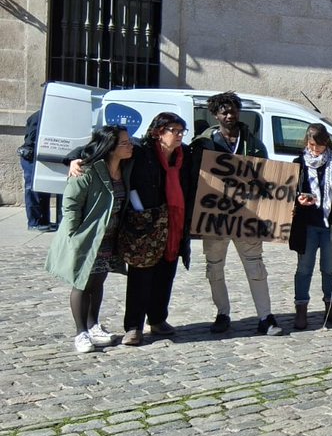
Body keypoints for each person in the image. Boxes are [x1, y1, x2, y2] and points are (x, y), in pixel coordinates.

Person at [192, 91, 284, 336]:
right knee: (214, 267)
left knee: (255, 267)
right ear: (215, 114)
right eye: (224, 111)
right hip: (214, 216)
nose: (229, 115)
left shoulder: (254, 144)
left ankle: (266, 316)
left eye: (233, 110)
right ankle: (222, 313)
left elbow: (266, 179)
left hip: (246, 216)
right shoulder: (203, 143)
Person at [45, 125, 132, 353]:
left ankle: (94, 325)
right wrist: (74, 234)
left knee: (98, 280)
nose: (130, 145)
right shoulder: (88, 171)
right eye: (124, 143)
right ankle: (80, 332)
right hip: (88, 236)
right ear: (110, 148)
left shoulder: (125, 167)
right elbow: (71, 204)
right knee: (82, 282)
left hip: (109, 236)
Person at [121, 113, 194, 346]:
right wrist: (75, 160)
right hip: (146, 224)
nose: (180, 135)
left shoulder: (185, 156)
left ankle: (158, 319)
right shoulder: (141, 151)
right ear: (158, 132)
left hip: (173, 225)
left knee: (166, 273)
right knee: (140, 277)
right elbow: (96, 148)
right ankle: (133, 327)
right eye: (175, 130)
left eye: (182, 131)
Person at [289, 124, 332, 330]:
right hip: (307, 225)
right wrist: (298, 198)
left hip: (329, 224)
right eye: (312, 145)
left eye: (320, 146)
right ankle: (301, 309)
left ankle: (331, 307)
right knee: (304, 269)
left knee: (329, 269)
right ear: (307, 142)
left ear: (326, 143)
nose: (315, 150)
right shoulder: (299, 163)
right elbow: (289, 192)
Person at [19, 110, 55, 232]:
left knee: (43, 190)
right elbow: (31, 137)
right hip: (31, 157)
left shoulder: (43, 114)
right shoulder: (41, 115)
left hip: (36, 156)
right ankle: (34, 222)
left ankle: (44, 221)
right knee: (33, 190)